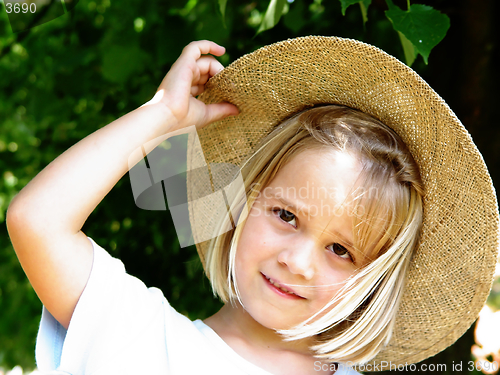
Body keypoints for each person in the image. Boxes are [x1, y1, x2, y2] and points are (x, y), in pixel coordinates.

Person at [6, 37, 499, 375]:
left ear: (375, 277)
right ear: (242, 202)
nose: (297, 262)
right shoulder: (142, 339)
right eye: (286, 216)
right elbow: (38, 221)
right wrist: (163, 115)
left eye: (342, 250)